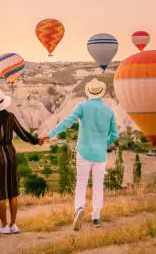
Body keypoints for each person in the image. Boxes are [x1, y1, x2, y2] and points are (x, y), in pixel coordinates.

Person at [41, 78, 119, 230]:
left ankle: (78, 209)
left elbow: (67, 122)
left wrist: (50, 134)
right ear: (102, 94)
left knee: (81, 182)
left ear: (88, 92)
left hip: (84, 152)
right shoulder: (109, 111)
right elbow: (115, 135)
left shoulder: (82, 106)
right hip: (100, 154)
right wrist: (104, 143)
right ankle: (96, 217)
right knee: (98, 185)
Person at [0, 88, 43, 235]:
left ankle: (4, 226)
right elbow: (23, 133)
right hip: (10, 155)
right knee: (12, 191)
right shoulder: (10, 117)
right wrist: (36, 141)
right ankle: (13, 225)